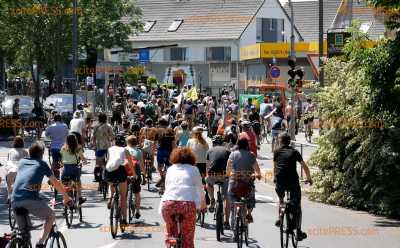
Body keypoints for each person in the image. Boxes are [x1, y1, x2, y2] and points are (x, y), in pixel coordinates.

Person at [11, 142, 72, 248]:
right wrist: (66, 197)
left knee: (24, 234)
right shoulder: (42, 164)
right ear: (42, 154)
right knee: (51, 215)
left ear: (29, 152)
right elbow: (55, 183)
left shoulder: (22, 162)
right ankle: (40, 243)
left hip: (15, 200)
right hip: (30, 200)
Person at [160, 147, 206, 248]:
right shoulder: (194, 169)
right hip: (187, 205)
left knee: (170, 228)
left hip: (168, 204)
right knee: (188, 237)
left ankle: (170, 241)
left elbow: (167, 187)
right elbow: (200, 188)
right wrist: (203, 203)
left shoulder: (171, 169)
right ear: (191, 158)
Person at [273, 133, 313, 241]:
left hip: (280, 181)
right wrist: (309, 178)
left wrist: (274, 178)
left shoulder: (276, 151)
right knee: (297, 205)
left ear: (281, 142)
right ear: (290, 142)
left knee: (281, 199)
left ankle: (280, 217)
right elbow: (304, 166)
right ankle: (299, 231)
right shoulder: (294, 152)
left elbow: (275, 166)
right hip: (292, 182)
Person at [226, 137, 262, 223]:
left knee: (231, 196)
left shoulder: (233, 154)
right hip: (247, 184)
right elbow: (257, 170)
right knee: (251, 199)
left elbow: (228, 169)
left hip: (234, 184)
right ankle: (249, 214)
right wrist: (257, 175)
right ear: (247, 145)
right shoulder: (251, 155)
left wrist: (230, 175)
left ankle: (234, 208)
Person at [104, 135, 136, 225]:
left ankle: (110, 198)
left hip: (109, 171)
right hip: (120, 171)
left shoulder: (109, 149)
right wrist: (134, 174)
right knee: (123, 196)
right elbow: (130, 164)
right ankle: (124, 220)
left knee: (111, 186)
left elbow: (107, 161)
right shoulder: (125, 150)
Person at [206, 135, 231, 228]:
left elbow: (208, 166)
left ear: (213, 143)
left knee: (208, 182)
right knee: (226, 198)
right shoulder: (228, 151)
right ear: (222, 143)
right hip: (224, 175)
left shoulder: (209, 151)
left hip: (213, 174)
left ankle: (212, 198)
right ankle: (226, 222)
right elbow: (230, 165)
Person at [60, 134, 87, 204]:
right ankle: (80, 197)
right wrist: (85, 161)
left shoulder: (63, 148)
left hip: (66, 169)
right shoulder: (78, 148)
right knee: (78, 182)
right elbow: (82, 158)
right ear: (75, 140)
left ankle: (65, 198)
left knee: (64, 183)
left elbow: (62, 158)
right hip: (75, 169)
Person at [126, 135, 145, 219]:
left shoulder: (125, 150)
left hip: (126, 170)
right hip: (136, 170)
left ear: (128, 142)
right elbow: (141, 164)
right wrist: (144, 174)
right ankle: (137, 211)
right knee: (137, 192)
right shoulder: (138, 151)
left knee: (124, 190)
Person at [5, 136, 29, 202]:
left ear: (14, 142)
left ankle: (9, 196)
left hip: (11, 170)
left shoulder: (10, 151)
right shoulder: (25, 151)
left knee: (8, 180)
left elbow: (8, 161)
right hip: (22, 171)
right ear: (23, 143)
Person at [92, 113, 114, 182]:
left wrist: (94, 145)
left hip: (99, 147)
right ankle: (109, 175)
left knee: (98, 163)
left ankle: (97, 177)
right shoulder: (108, 126)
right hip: (108, 148)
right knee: (109, 162)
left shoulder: (96, 126)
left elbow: (93, 137)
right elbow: (112, 137)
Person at [155, 118, 176, 190]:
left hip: (160, 151)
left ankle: (162, 177)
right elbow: (173, 143)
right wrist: (174, 151)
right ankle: (165, 179)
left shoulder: (158, 131)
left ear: (160, 124)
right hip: (169, 151)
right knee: (169, 166)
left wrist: (152, 151)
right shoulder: (171, 131)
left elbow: (155, 143)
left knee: (159, 167)